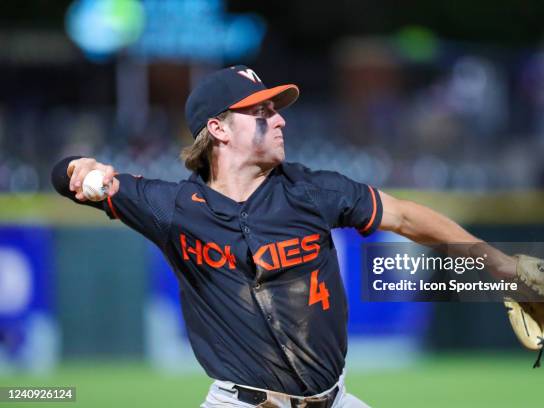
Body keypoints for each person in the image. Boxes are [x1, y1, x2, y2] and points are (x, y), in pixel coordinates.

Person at [52, 65, 517, 407]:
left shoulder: (312, 191)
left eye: (276, 110)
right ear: (218, 129)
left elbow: (405, 217)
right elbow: (68, 177)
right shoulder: (173, 208)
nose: (280, 120)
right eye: (262, 111)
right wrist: (78, 167)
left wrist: (498, 264)